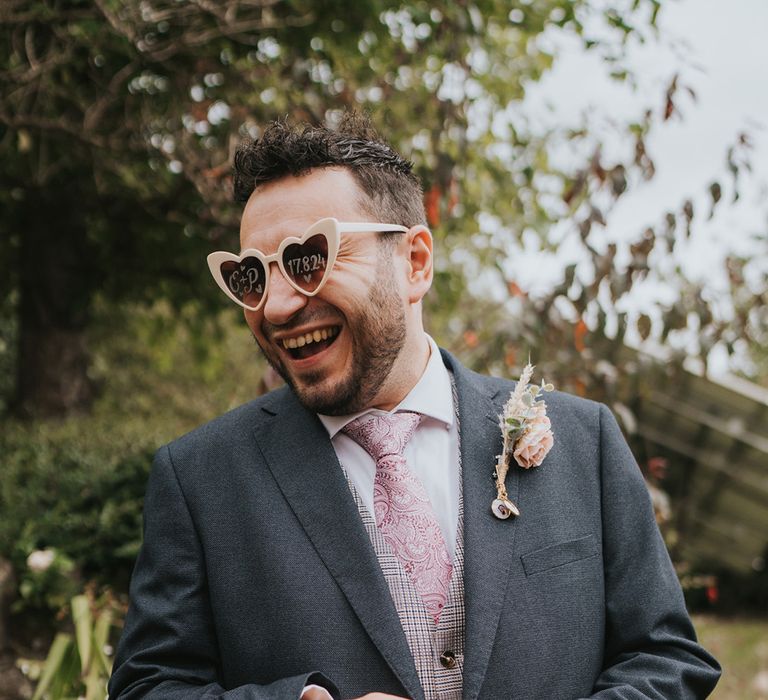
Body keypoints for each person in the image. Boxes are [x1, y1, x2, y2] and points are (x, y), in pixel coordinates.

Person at [108, 113, 720, 700]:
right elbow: (148, 686)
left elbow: (664, 657)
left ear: (415, 262)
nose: (275, 307)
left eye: (308, 260)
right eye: (251, 276)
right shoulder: (200, 478)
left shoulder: (585, 441)